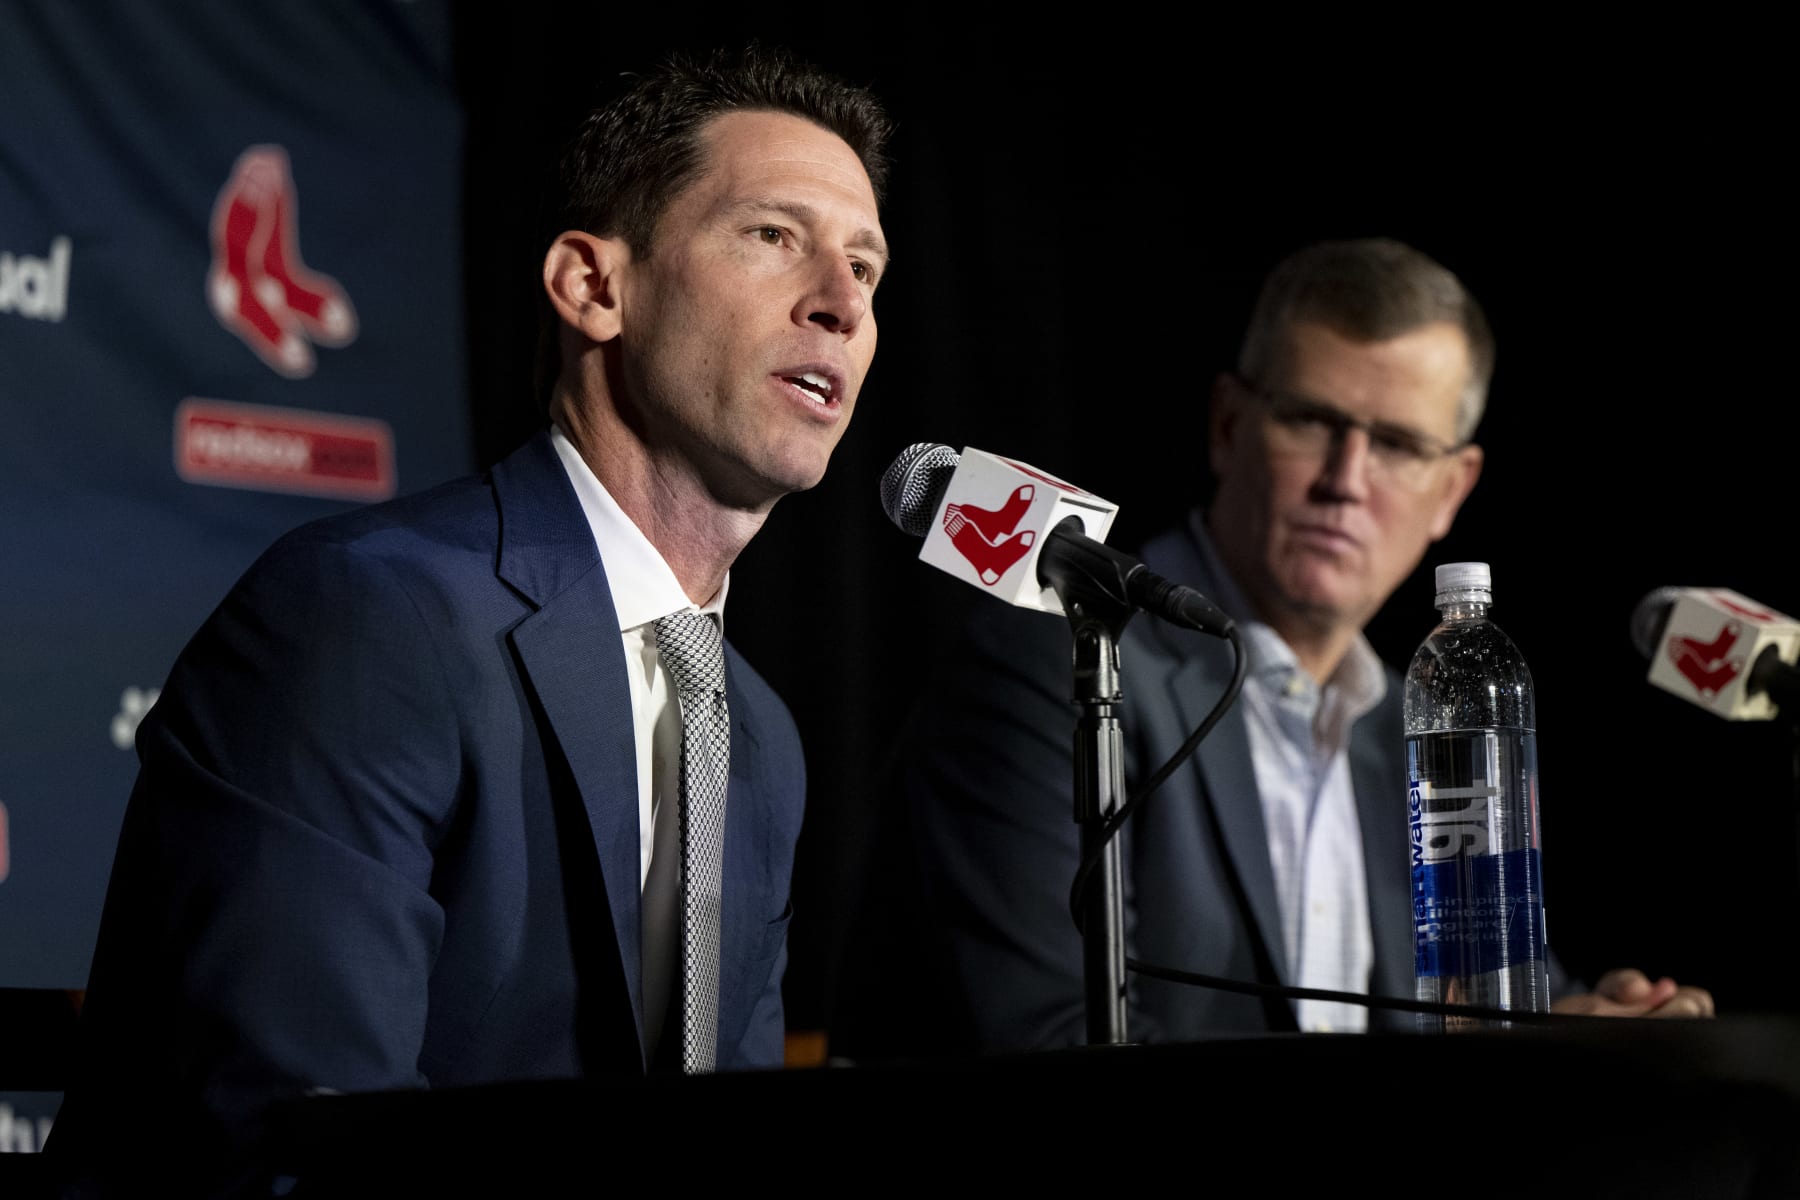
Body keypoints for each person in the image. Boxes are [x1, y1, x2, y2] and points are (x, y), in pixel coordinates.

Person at [49, 44, 891, 1193]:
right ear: (594, 286)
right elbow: (295, 1145)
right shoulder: (370, 617)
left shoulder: (759, 738)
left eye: (865, 266)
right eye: (773, 236)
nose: (842, 304)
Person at [882, 237, 1710, 1054]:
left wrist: (1590, 1030)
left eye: (1397, 445)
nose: (1346, 479)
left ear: (1450, 489)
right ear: (1229, 426)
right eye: (1312, 420)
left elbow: (1491, 1014)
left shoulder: (1417, 723)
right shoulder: (1049, 663)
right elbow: (1048, 1036)